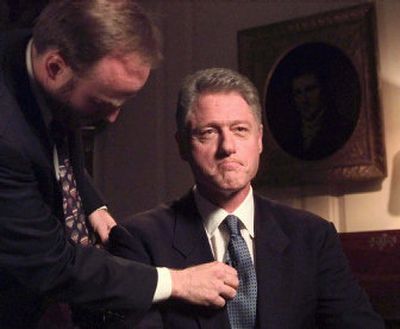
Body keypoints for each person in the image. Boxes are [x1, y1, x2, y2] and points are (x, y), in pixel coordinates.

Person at [0, 2, 238, 328]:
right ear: (55, 68)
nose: (112, 118)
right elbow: (51, 265)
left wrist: (90, 202)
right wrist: (176, 282)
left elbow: (54, 141)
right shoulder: (6, 134)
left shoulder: (39, 52)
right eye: (102, 103)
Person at [109, 68, 385, 328]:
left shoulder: (313, 236)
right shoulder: (139, 240)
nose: (227, 147)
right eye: (208, 132)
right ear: (182, 145)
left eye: (240, 130)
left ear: (260, 140)